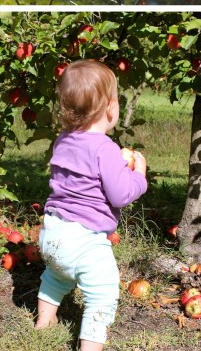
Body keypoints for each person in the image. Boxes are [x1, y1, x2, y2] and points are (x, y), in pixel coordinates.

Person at [34, 60, 148, 351]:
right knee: (103, 293)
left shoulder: (63, 141)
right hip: (85, 240)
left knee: (56, 276)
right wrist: (138, 175)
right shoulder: (105, 149)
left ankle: (43, 323)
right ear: (110, 108)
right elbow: (121, 194)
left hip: (53, 233)